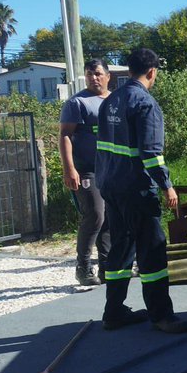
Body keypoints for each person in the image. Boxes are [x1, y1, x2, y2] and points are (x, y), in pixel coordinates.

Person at [96, 48, 187, 334]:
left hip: (110, 186)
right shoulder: (145, 103)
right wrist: (167, 185)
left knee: (121, 247)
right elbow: (151, 153)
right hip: (135, 188)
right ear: (152, 72)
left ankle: (113, 312)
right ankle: (161, 316)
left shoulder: (110, 101)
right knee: (152, 249)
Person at [59, 58, 112, 286]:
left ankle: (108, 267)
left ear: (108, 76)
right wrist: (69, 169)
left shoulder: (115, 100)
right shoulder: (77, 102)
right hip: (87, 170)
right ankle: (83, 267)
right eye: (89, 74)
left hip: (112, 170)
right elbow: (65, 135)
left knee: (110, 218)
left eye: (98, 73)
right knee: (95, 215)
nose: (94, 77)